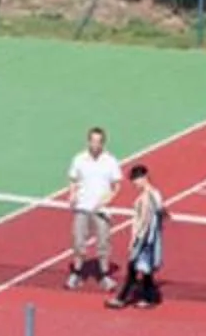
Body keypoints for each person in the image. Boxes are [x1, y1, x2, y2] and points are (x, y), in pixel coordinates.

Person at [64, 126, 124, 288]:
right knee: (78, 241)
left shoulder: (110, 161)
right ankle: (76, 274)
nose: (95, 144)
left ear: (103, 143)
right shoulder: (79, 159)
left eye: (98, 141)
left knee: (103, 242)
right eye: (92, 141)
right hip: (82, 207)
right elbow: (73, 179)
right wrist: (72, 194)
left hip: (101, 210)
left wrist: (108, 199)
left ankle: (104, 276)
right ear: (88, 141)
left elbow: (117, 185)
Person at [111, 163, 165, 309]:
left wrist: (136, 239)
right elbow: (161, 213)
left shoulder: (146, 197)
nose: (135, 183)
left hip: (144, 238)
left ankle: (121, 298)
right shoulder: (156, 194)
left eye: (136, 179)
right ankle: (149, 297)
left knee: (132, 267)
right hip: (151, 238)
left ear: (144, 177)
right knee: (145, 270)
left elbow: (144, 220)